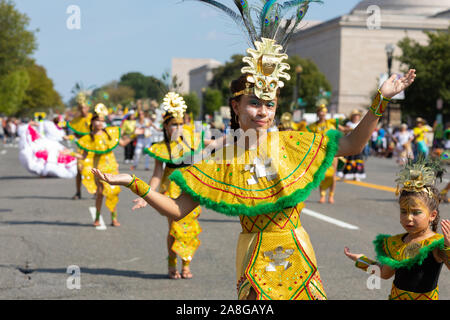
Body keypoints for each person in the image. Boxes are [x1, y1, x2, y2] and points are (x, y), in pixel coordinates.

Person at [90, 0, 416, 300]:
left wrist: (381, 100)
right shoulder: (218, 159)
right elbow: (176, 210)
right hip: (253, 259)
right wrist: (133, 182)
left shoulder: (294, 143)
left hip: (298, 254)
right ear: (236, 106)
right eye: (254, 103)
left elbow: (352, 144)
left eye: (269, 104)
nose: (262, 111)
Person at [344, 158, 450, 300]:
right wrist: (361, 260)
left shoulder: (436, 244)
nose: (408, 218)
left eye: (416, 212)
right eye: (404, 212)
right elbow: (385, 273)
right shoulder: (396, 243)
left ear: (432, 215)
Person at [135, 92, 204, 279]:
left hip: (190, 188)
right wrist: (146, 195)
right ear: (166, 126)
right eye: (174, 124)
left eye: (181, 124)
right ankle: (172, 263)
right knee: (174, 228)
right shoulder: (161, 148)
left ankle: (186, 264)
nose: (178, 127)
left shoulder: (194, 142)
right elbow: (157, 175)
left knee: (190, 228)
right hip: (170, 189)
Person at [72, 104, 129, 227]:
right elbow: (84, 156)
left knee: (113, 191)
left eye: (102, 121)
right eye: (97, 120)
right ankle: (97, 218)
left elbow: (123, 143)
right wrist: (70, 153)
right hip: (98, 168)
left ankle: (114, 218)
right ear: (92, 122)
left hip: (112, 166)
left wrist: (134, 134)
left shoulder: (110, 133)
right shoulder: (88, 138)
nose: (100, 123)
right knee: (100, 193)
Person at [306, 104, 346, 204]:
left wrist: (353, 129)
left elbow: (343, 130)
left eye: (324, 111)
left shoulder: (331, 123)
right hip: (320, 153)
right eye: (320, 111)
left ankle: (331, 195)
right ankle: (322, 195)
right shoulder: (313, 126)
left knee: (332, 175)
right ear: (317, 113)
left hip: (332, 152)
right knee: (322, 174)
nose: (322, 113)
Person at [67, 92, 93, 199]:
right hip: (82, 148)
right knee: (79, 170)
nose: (83, 110)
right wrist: (70, 137)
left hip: (93, 147)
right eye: (81, 108)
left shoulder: (93, 118)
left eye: (85, 107)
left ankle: (95, 191)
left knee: (94, 170)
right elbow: (75, 134)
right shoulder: (76, 121)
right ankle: (78, 192)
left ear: (88, 108)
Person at [342, 110, 366, 181]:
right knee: (349, 159)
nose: (356, 117)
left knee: (358, 160)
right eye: (355, 116)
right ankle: (345, 174)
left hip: (358, 144)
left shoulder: (360, 123)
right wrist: (349, 129)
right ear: (352, 117)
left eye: (357, 116)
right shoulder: (348, 124)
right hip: (350, 143)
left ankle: (357, 175)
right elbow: (345, 132)